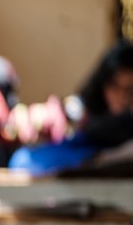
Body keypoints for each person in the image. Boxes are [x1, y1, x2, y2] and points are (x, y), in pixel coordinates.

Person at [9, 39, 133, 175]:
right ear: (102, 84)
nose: (122, 96)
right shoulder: (88, 125)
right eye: (115, 86)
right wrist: (108, 157)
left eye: (130, 89)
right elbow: (24, 162)